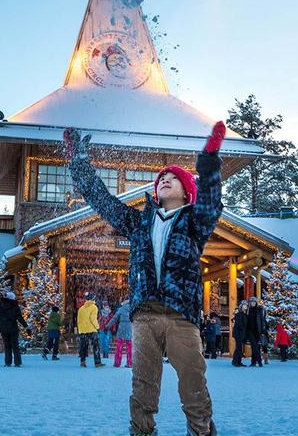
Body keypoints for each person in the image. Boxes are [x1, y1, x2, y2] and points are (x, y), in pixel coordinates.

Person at [65, 121, 226, 436]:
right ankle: (141, 432)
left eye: (173, 178)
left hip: (182, 316)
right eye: (161, 178)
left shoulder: (195, 222)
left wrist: (208, 160)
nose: (165, 179)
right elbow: (103, 201)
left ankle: (202, 431)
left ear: (186, 191)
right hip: (145, 316)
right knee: (143, 386)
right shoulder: (138, 222)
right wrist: (80, 164)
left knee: (193, 382)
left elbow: (210, 199)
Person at [0, 291, 29, 367]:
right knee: (15, 345)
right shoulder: (15, 307)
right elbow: (19, 318)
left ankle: (7, 362)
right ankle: (17, 362)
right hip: (13, 328)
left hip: (3, 327)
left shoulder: (1, 306)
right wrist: (26, 327)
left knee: (7, 345)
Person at [77, 292, 104, 368]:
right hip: (92, 329)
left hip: (82, 330)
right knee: (95, 346)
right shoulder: (94, 307)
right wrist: (97, 327)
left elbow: (79, 320)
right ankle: (97, 362)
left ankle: (82, 361)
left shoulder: (81, 308)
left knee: (83, 346)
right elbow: (93, 319)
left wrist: (80, 329)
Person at [108, 297, 133, 368]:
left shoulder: (121, 309)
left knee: (119, 346)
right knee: (129, 347)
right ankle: (129, 363)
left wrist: (108, 326)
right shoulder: (132, 309)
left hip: (121, 327)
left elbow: (114, 318)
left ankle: (117, 363)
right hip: (129, 328)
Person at [246, 296, 265, 367]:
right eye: (252, 302)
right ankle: (259, 361)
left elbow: (262, 320)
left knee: (256, 346)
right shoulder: (248, 310)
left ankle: (253, 361)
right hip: (250, 330)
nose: (253, 303)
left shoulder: (259, 310)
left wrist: (263, 329)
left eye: (254, 302)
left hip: (257, 330)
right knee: (254, 346)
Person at [231, 302, 248, 367]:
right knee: (238, 347)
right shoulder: (239, 314)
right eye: (244, 305)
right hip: (238, 333)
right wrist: (243, 329)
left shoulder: (244, 314)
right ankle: (235, 361)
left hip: (241, 333)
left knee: (239, 347)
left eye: (246, 305)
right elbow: (239, 324)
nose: (245, 306)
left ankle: (238, 361)